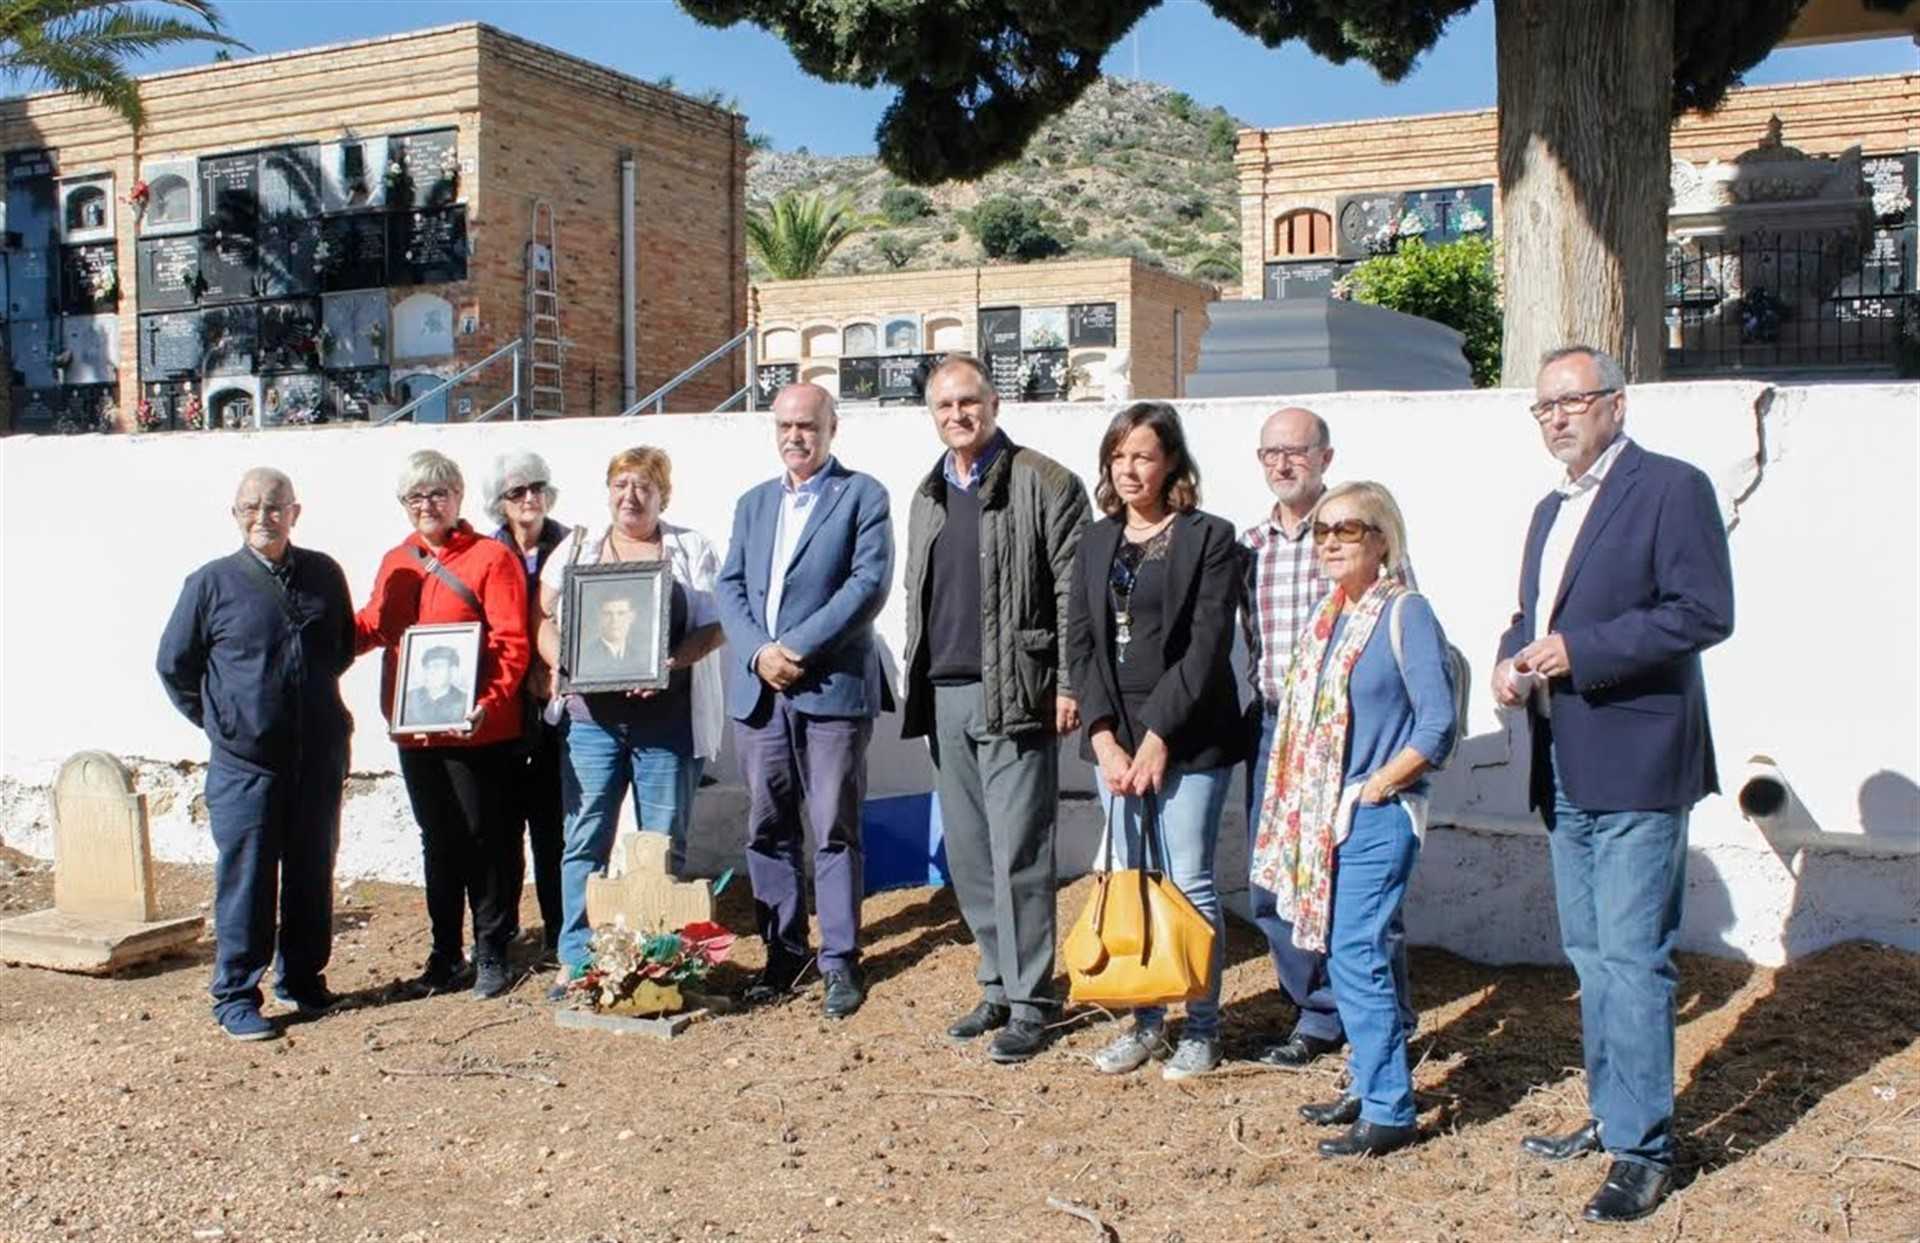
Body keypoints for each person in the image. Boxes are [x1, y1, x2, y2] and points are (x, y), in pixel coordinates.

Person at [1493, 346, 1733, 1224]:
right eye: (1544, 406)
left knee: (1634, 961)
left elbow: (1704, 611)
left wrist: (1580, 653)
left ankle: (1644, 1148)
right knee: (1592, 958)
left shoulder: (1672, 487)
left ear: (1616, 406)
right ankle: (1613, 1113)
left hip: (1637, 758)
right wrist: (1510, 656)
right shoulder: (1547, 510)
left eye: (1573, 400)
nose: (1557, 416)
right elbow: (1536, 618)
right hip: (1563, 757)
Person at [1250, 480, 1455, 1158]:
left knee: (1358, 953)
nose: (1331, 539)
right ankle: (1369, 1084)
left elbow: (1437, 722)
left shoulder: (1406, 612)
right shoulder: (1328, 616)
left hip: (1375, 813)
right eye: (1323, 530)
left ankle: (1391, 1107)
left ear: (1383, 539)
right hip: (1320, 819)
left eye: (1349, 528)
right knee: (1353, 952)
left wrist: (1376, 788)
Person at [900, 353, 1091, 1063]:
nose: (959, 415)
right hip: (945, 693)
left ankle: (1034, 998)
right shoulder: (925, 493)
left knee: (1019, 853)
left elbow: (1076, 597)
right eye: (945, 406)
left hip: (1018, 691)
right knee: (973, 855)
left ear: (994, 403)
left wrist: (1069, 683)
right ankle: (997, 981)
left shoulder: (1048, 482)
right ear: (933, 414)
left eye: (969, 402)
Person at [1066, 402, 1244, 1080]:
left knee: (1188, 877)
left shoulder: (1209, 537)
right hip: (1118, 734)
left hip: (1191, 733)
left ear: (1170, 460)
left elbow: (1206, 647)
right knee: (1133, 877)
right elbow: (1081, 645)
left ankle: (1202, 1025)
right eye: (1118, 455)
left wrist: (1160, 734)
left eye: (1142, 454)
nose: (1129, 467)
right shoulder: (1094, 540)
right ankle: (1146, 1019)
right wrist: (1106, 737)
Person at [1239, 407, 1416, 1069]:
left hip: (1350, 734)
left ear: (1325, 457)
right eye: (1269, 453)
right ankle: (1319, 1011)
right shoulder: (1251, 545)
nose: (1282, 464)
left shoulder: (1357, 535)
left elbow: (1402, 626)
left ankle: (1384, 1019)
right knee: (1274, 881)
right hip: (1279, 730)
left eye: (1296, 451)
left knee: (1357, 885)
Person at [157, 468, 356, 1041]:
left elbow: (337, 649)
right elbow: (176, 666)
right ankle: (237, 994)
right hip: (246, 766)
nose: (263, 517)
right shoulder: (210, 584)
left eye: (275, 507)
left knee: (312, 869)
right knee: (246, 877)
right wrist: (226, 723)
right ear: (234, 514)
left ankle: (302, 977)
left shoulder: (322, 574)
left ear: (296, 512)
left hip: (316, 755)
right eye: (251, 507)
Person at [715, 382, 893, 1020]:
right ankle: (783, 951)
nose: (797, 436)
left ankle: (840, 959)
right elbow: (729, 584)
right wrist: (760, 652)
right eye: (786, 425)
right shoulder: (753, 503)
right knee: (767, 828)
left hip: (830, 689)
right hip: (760, 692)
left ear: (831, 428)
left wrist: (795, 647)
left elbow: (867, 584)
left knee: (835, 828)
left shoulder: (863, 495)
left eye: (808, 426)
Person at [536, 447, 726, 993]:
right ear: (607, 490)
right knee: (585, 838)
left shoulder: (692, 548)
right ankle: (579, 957)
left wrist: (675, 660)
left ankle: (657, 958)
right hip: (592, 722)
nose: (631, 496)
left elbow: (719, 625)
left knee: (662, 842)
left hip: (667, 722)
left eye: (644, 485)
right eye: (620, 484)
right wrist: (560, 662)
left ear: (664, 493)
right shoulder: (577, 548)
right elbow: (543, 616)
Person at [356, 450, 529, 1000]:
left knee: (486, 840)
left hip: (478, 728)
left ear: (457, 497)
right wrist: (318, 632)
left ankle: (493, 949)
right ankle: (444, 950)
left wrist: (491, 700)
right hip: (415, 731)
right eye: (416, 497)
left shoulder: (489, 558)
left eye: (437, 494)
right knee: (439, 841)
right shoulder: (396, 560)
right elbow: (375, 625)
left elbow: (510, 642)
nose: (427, 505)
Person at [484, 452, 568, 962]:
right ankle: (505, 929)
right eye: (517, 493)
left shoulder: (570, 543)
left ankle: (561, 930)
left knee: (555, 826)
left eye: (536, 488)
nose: (529, 499)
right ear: (501, 503)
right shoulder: (488, 550)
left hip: (556, 700)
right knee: (501, 825)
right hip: (504, 705)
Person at [403, 646, 469, 726]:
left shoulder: (464, 701)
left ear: (453, 670)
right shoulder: (410, 698)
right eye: (428, 667)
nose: (431, 671)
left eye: (438, 666)